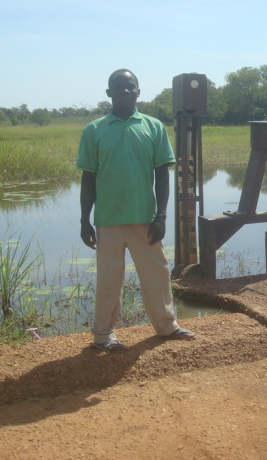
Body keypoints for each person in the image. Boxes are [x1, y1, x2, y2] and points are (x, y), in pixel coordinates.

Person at [77, 68, 195, 352]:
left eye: (131, 87)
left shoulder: (153, 127)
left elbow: (162, 173)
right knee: (108, 281)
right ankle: (103, 336)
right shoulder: (95, 130)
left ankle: (167, 327)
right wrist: (85, 220)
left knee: (157, 275)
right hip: (108, 220)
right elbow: (88, 177)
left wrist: (162, 215)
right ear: (109, 93)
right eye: (119, 87)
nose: (126, 91)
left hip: (145, 220)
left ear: (139, 91)